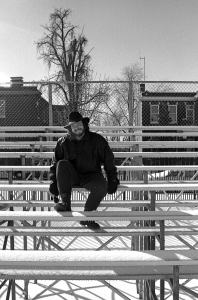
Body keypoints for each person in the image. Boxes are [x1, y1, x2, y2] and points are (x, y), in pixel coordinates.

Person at [49, 111, 119, 229]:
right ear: (70, 127)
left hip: (91, 175)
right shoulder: (62, 142)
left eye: (79, 124)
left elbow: (108, 160)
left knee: (102, 184)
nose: (77, 128)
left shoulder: (97, 140)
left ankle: (88, 216)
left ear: (84, 124)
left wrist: (112, 178)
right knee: (62, 164)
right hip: (72, 177)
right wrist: (53, 183)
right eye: (73, 125)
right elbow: (55, 165)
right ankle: (65, 203)